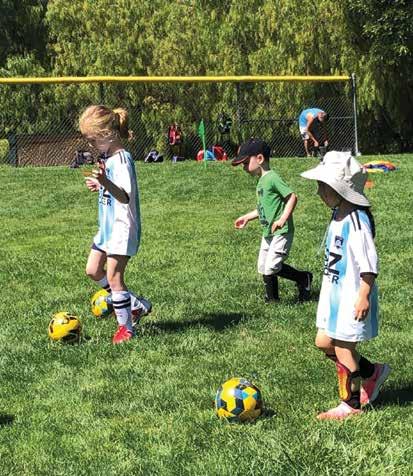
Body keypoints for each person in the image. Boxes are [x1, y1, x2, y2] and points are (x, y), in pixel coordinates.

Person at [300, 151, 391, 420]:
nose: (319, 192)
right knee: (323, 342)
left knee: (343, 348)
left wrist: (364, 295)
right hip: (334, 296)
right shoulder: (339, 214)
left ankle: (350, 405)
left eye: (323, 186)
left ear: (340, 189)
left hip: (352, 296)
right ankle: (372, 373)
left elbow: (369, 263)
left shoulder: (357, 221)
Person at [79, 105, 151, 344]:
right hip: (107, 227)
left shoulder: (122, 159)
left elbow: (124, 196)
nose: (91, 145)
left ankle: (126, 329)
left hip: (122, 227)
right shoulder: (108, 158)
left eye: (92, 140)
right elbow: (112, 189)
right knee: (93, 270)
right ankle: (135, 305)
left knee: (114, 277)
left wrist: (105, 182)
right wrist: (100, 184)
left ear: (107, 134)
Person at [232, 138, 313, 303]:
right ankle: (272, 300)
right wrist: (247, 217)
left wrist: (283, 219)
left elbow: (292, 197)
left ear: (260, 158)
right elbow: (263, 208)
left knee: (272, 266)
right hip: (268, 232)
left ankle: (303, 278)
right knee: (263, 266)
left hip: (281, 231)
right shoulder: (261, 181)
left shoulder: (272, 178)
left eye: (245, 163)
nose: (243, 167)